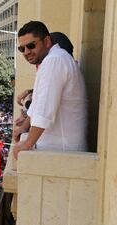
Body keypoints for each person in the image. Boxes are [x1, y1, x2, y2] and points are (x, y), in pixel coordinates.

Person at [13, 21, 87, 159]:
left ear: (47, 41)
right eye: (22, 49)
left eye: (31, 45)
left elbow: (44, 111)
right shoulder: (53, 59)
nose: (26, 52)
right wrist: (24, 127)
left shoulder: (55, 60)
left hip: (62, 153)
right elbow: (38, 103)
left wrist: (27, 143)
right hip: (59, 150)